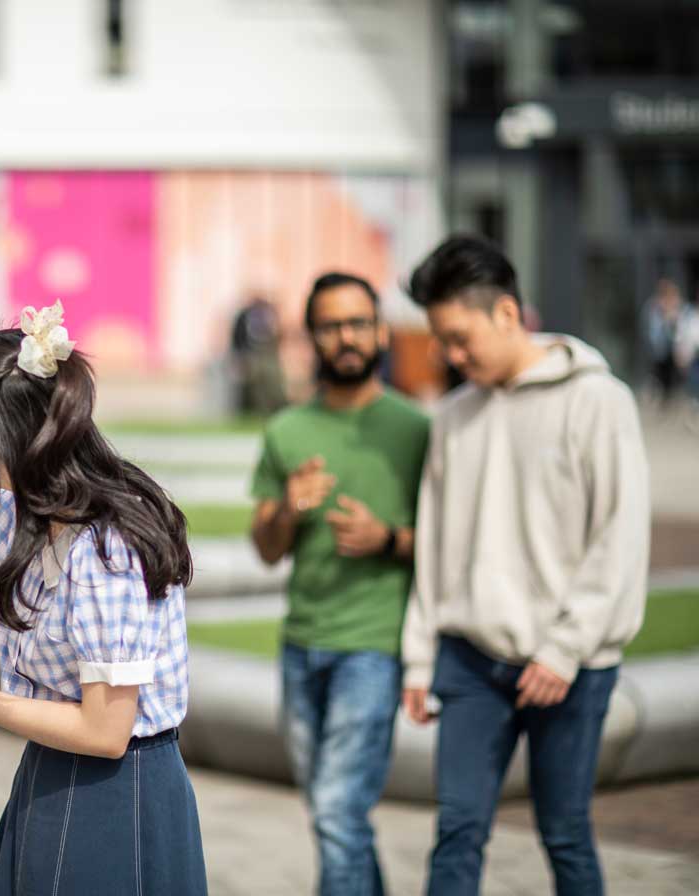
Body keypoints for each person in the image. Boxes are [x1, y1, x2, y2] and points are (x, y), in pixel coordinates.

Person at [0, 302, 207, 895]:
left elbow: (107, 730)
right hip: (51, 770)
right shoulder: (26, 507)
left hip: (122, 792)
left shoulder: (108, 549)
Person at [401, 236, 650, 896]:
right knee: (457, 830)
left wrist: (564, 649)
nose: (450, 356)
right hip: (470, 658)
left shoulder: (599, 401)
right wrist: (421, 658)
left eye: (459, 338)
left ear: (506, 314)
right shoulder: (453, 416)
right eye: (440, 340)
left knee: (565, 833)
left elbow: (620, 539)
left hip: (571, 667)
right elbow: (436, 544)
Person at [249, 272, 429, 896]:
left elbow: (452, 547)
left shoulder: (418, 430)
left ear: (381, 331)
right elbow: (267, 550)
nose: (346, 337)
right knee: (337, 815)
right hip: (301, 643)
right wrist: (288, 510)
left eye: (358, 323)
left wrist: (388, 539)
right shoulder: (286, 431)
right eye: (331, 325)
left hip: (374, 645)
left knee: (334, 809)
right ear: (312, 337)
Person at [229, 294, 287, 414]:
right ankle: (256, 409)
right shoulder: (244, 316)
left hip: (269, 353)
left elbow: (279, 333)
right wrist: (239, 356)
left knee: (273, 382)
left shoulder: (270, 314)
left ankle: (275, 407)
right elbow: (237, 336)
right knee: (255, 385)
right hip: (252, 354)